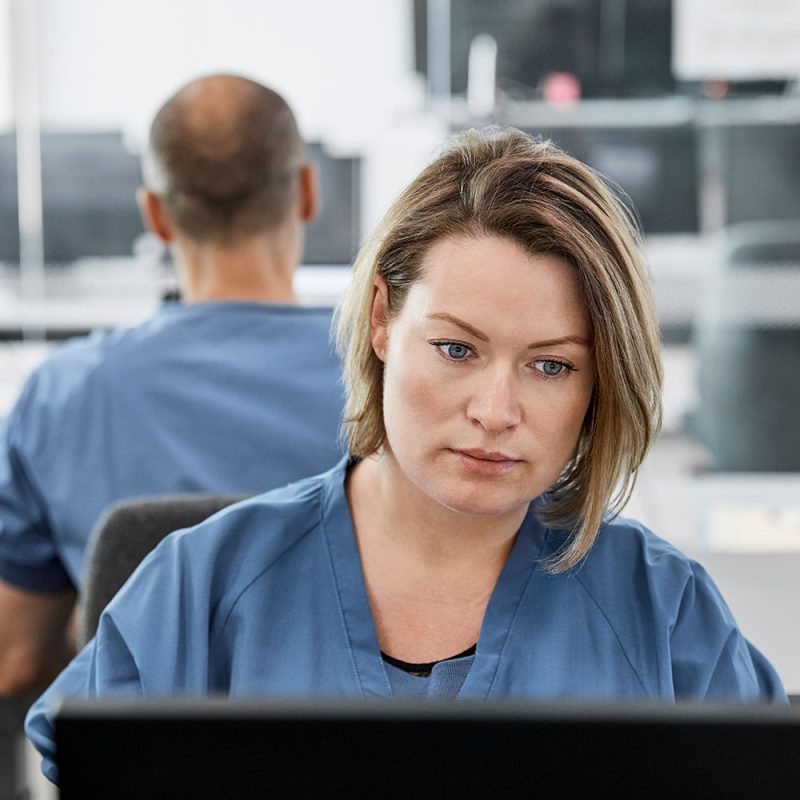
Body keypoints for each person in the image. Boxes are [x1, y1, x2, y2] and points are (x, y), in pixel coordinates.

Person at [26, 127, 786, 784]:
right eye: (456, 349)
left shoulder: (662, 613)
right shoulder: (201, 589)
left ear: (599, 383)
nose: (495, 412)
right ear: (384, 321)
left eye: (551, 365)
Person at [0, 74, 344, 696]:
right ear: (307, 193)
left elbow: (14, 659)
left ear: (155, 214)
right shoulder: (397, 381)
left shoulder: (58, 396)